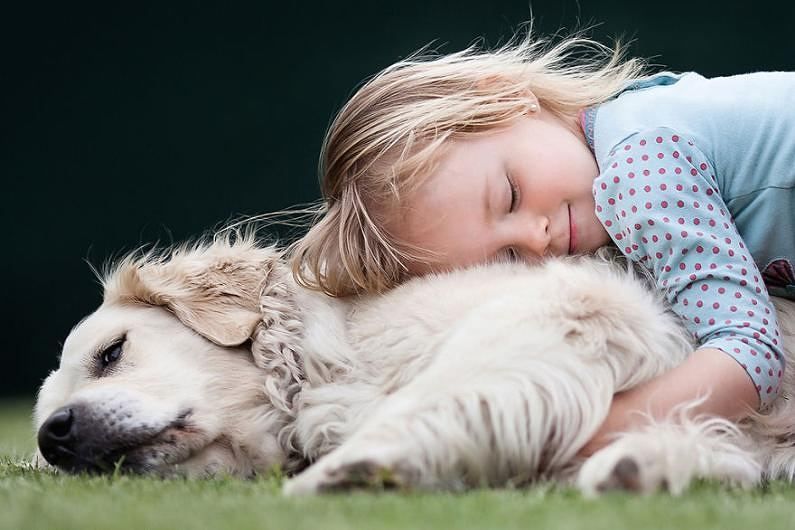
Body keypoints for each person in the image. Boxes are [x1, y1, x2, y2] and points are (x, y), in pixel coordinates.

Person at [289, 28, 794, 456]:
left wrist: (579, 439)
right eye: (508, 258)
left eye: (510, 195)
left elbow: (751, 355)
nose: (536, 238)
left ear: (506, 100)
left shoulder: (640, 168)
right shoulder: (630, 119)